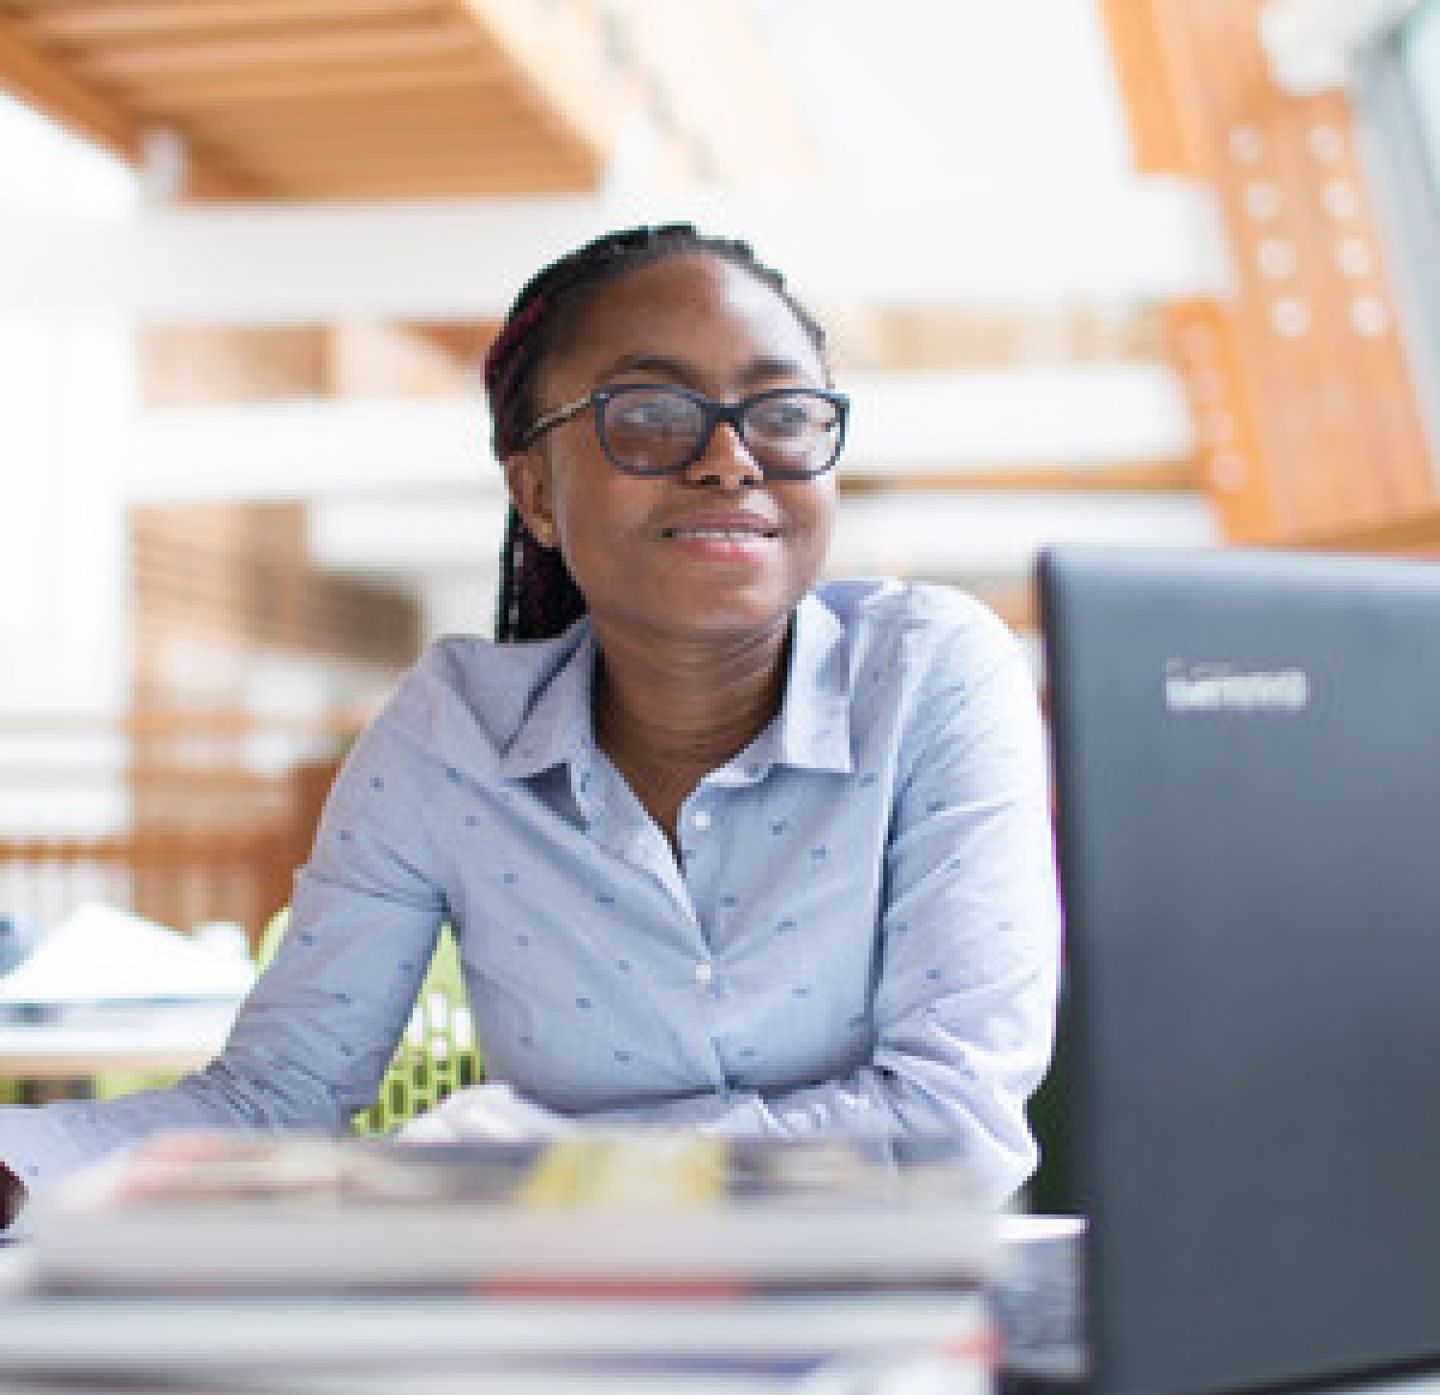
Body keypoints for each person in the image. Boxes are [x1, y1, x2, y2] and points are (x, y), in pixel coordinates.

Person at [0, 224, 1059, 1230]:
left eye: (782, 412)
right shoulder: (446, 735)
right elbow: (277, 1095)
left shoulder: (934, 676)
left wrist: (525, 1173)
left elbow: (948, 1129)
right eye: (648, 412)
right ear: (536, 495)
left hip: (884, 1320)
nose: (733, 458)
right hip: (549, 1324)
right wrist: (18, 1170)